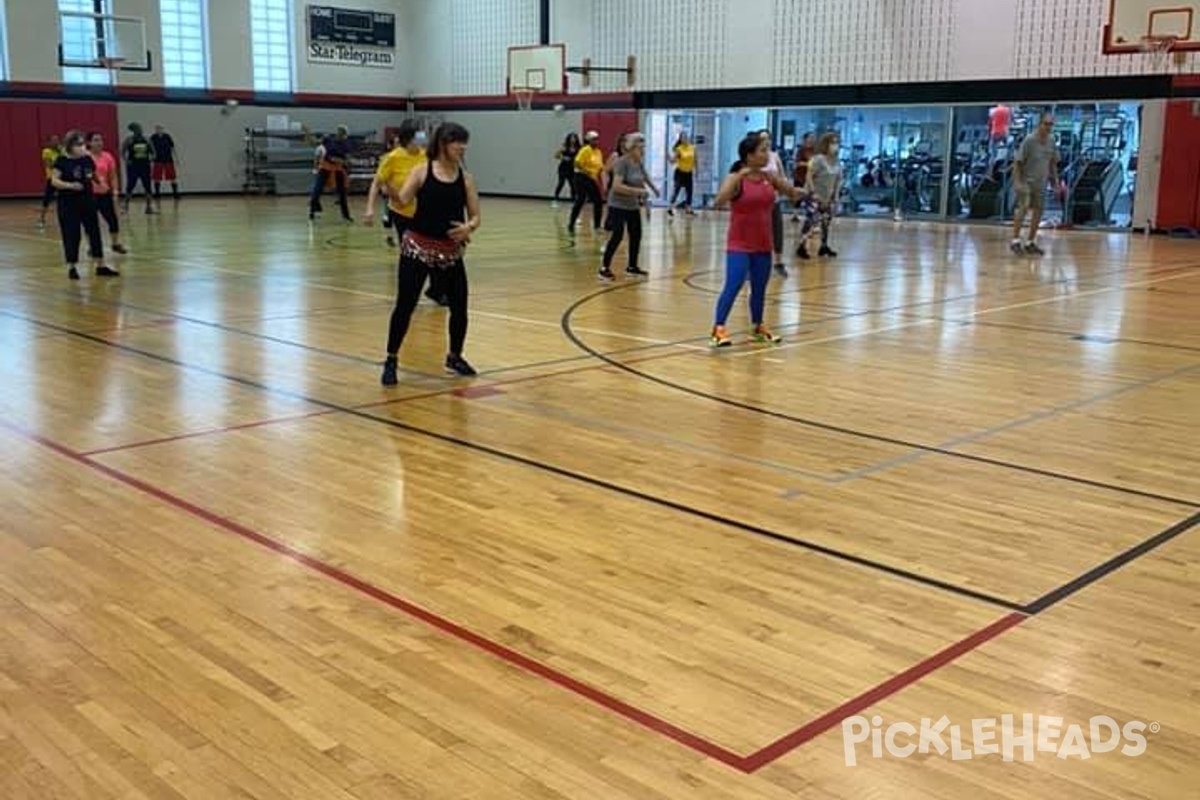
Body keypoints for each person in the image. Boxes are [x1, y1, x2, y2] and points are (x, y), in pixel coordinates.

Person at [379, 123, 481, 385]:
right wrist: (388, 189)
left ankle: (454, 356)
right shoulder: (422, 171)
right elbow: (402, 201)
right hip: (418, 249)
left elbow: (476, 215)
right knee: (405, 305)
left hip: (449, 252)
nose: (463, 147)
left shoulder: (465, 178)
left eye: (464, 142)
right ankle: (391, 359)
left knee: (460, 307)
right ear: (443, 143)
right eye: (458, 142)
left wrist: (468, 227)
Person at [709, 134, 801, 347]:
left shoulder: (769, 178)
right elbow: (719, 201)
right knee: (733, 285)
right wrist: (736, 177)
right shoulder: (737, 178)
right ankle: (718, 328)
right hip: (739, 245)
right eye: (762, 150)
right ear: (749, 156)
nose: (766, 154)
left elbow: (793, 193)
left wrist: (807, 193)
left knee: (759, 288)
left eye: (767, 149)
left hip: (762, 243)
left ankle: (758, 327)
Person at [364, 122, 446, 306]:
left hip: (425, 212)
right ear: (409, 139)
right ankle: (407, 293)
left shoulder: (427, 156)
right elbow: (377, 183)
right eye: (419, 136)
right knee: (411, 254)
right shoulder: (393, 158)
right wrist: (370, 209)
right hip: (402, 212)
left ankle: (436, 290)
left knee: (435, 250)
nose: (423, 140)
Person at [51, 130, 117, 280]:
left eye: (83, 144)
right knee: (72, 234)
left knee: (94, 232)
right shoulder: (62, 161)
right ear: (70, 145)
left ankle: (100, 265)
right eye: (78, 144)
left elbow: (92, 174)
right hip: (68, 204)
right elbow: (54, 181)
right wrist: (70, 185)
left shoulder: (86, 159)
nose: (82, 147)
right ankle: (72, 267)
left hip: (87, 201)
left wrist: (101, 183)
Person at [601, 132, 659, 281]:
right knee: (617, 235)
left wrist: (651, 194)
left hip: (632, 205)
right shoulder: (621, 162)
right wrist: (639, 192)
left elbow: (643, 179)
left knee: (636, 235)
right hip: (617, 205)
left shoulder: (638, 163)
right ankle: (604, 268)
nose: (643, 151)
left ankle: (632, 267)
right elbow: (617, 186)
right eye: (641, 148)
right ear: (632, 148)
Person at [1010, 112, 1061, 256]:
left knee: (1039, 211)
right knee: (1024, 207)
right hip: (1026, 181)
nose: (1048, 127)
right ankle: (1015, 240)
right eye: (1046, 124)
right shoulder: (1029, 140)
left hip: (1041, 182)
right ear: (1040, 124)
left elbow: (1052, 164)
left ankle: (1030, 242)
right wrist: (1017, 182)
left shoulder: (1051, 141)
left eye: (1051, 124)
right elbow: (1017, 163)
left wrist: (1055, 183)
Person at [801, 132, 843, 259]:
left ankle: (823, 246)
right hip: (814, 195)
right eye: (832, 143)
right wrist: (813, 193)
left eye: (837, 143)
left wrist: (835, 197)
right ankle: (802, 245)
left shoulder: (837, 162)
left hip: (827, 197)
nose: (835, 146)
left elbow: (838, 180)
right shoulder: (818, 159)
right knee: (812, 221)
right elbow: (809, 176)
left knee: (826, 222)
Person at [87, 132, 127, 255]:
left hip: (104, 194)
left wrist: (115, 191)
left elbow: (113, 176)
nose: (99, 142)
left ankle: (115, 244)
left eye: (100, 140)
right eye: (96, 140)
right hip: (90, 195)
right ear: (89, 143)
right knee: (91, 222)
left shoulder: (107, 157)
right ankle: (92, 246)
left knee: (112, 220)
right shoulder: (85, 157)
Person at [309, 125, 353, 222]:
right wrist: (308, 133)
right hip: (325, 167)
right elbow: (314, 143)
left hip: (338, 169)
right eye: (341, 133)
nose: (343, 136)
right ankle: (312, 212)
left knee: (342, 194)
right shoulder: (328, 140)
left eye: (344, 134)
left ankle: (346, 215)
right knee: (317, 190)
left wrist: (339, 160)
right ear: (339, 133)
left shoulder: (346, 144)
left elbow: (348, 160)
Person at [567, 131, 604, 239]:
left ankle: (596, 226)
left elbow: (600, 167)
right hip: (581, 177)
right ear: (588, 140)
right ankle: (572, 223)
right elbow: (577, 163)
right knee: (582, 199)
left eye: (597, 139)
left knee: (597, 201)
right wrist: (587, 171)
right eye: (593, 139)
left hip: (591, 179)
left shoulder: (598, 152)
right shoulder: (585, 149)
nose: (596, 141)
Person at [121, 123, 156, 214]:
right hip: (133, 167)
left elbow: (154, 153)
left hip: (145, 166)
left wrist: (152, 159)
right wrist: (126, 160)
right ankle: (125, 206)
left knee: (147, 186)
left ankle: (149, 207)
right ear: (133, 131)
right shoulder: (129, 140)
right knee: (130, 186)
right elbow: (122, 151)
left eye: (140, 129)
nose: (139, 131)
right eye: (137, 129)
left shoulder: (147, 140)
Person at [667, 132, 697, 217]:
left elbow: (696, 160)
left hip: (689, 173)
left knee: (689, 191)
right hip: (680, 173)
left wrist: (697, 170)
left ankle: (688, 209)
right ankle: (670, 208)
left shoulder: (693, 148)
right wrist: (668, 157)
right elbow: (673, 161)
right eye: (682, 137)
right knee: (676, 190)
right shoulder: (679, 149)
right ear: (680, 139)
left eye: (686, 137)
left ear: (688, 138)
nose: (685, 138)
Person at [150, 124, 180, 201]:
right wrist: (151, 157)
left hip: (168, 160)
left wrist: (176, 158)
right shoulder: (153, 137)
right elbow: (150, 148)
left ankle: (175, 194)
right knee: (156, 177)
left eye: (160, 129)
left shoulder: (167, 137)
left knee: (172, 177)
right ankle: (157, 194)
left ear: (163, 129)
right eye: (157, 129)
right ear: (155, 130)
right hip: (158, 160)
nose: (158, 130)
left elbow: (173, 148)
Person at [38, 135, 62, 228]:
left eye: (57, 140)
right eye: (54, 140)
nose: (56, 142)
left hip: (62, 178)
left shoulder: (61, 150)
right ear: (49, 142)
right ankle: (41, 218)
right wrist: (60, 162)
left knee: (65, 198)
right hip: (52, 178)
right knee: (47, 199)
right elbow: (49, 165)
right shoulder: (46, 151)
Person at [553, 132, 581, 206]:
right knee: (561, 183)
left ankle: (573, 201)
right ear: (569, 138)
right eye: (571, 138)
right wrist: (564, 157)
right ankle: (555, 200)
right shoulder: (565, 146)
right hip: (563, 168)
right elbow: (556, 155)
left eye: (574, 138)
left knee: (572, 185)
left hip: (572, 168)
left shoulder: (579, 147)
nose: (573, 139)